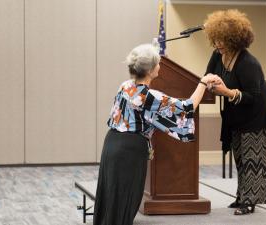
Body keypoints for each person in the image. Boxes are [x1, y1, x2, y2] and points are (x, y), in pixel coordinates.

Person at [93, 43, 220, 225]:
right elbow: (187, 107)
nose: (160, 66)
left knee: (110, 196)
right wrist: (203, 82)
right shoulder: (149, 97)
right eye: (158, 63)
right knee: (125, 199)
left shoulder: (125, 86)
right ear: (151, 70)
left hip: (112, 143)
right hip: (130, 150)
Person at [203, 9, 266, 215]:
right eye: (215, 39)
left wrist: (226, 91)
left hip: (257, 111)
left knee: (253, 157)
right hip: (236, 112)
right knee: (240, 156)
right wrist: (208, 84)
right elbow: (207, 75)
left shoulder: (249, 63)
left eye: (222, 40)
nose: (218, 44)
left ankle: (250, 201)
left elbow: (253, 95)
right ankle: (241, 196)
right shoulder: (218, 55)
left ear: (235, 40)